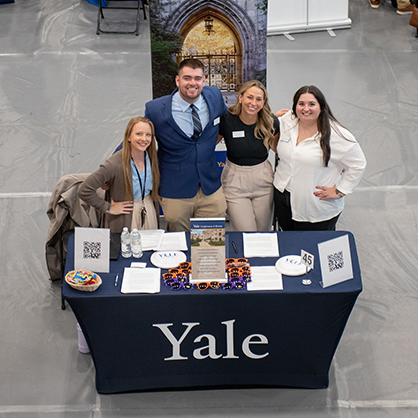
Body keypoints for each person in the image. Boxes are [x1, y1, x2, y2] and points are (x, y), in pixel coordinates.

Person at [144, 58, 228, 232]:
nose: (193, 83)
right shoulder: (155, 109)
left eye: (197, 78)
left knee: (209, 246)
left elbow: (233, 121)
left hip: (209, 188)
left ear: (204, 80)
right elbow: (137, 138)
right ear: (177, 80)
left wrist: (267, 117)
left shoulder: (214, 97)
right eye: (187, 78)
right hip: (175, 190)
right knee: (179, 245)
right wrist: (111, 169)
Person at [273, 85, 366, 231]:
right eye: (301, 104)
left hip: (315, 206)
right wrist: (272, 117)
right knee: (288, 243)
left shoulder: (337, 134)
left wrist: (341, 190)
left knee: (313, 248)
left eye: (312, 104)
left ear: (321, 107)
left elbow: (358, 164)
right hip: (283, 198)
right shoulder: (287, 120)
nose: (306, 109)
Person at [217, 80, 281, 231]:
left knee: (263, 231)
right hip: (235, 180)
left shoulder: (271, 122)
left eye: (259, 99)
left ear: (264, 102)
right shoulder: (227, 120)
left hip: (263, 179)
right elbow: (209, 145)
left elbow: (280, 150)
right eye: (250, 97)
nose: (254, 103)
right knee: (245, 232)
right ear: (240, 97)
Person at [78, 117, 160, 233]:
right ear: (129, 137)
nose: (144, 139)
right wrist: (107, 207)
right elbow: (84, 190)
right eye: (138, 134)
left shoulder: (152, 158)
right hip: (125, 217)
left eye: (148, 135)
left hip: (148, 210)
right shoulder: (115, 162)